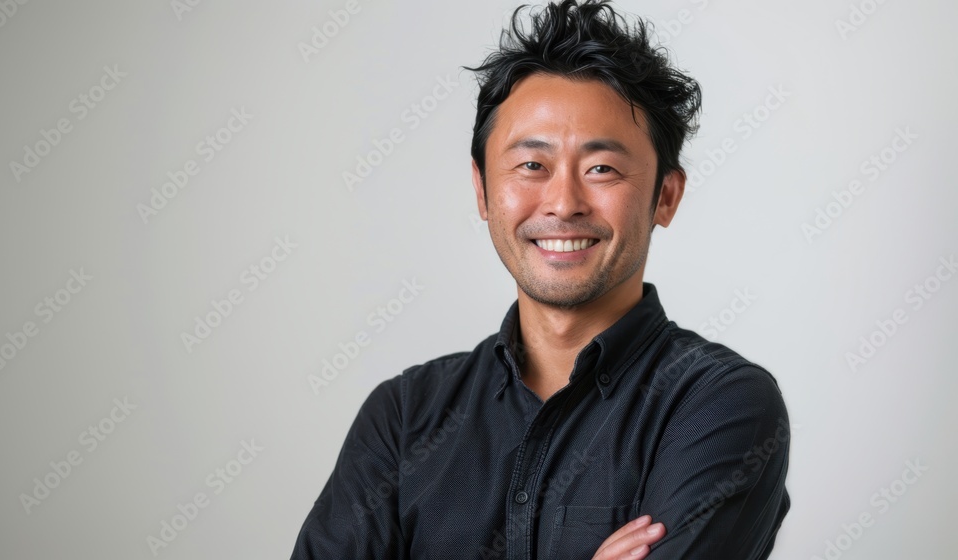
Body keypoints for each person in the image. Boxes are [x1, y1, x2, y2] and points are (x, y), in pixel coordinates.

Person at [290, 1, 790, 558]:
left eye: (602, 168)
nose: (563, 202)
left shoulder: (720, 407)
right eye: (532, 165)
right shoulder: (405, 418)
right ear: (482, 190)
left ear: (665, 196)